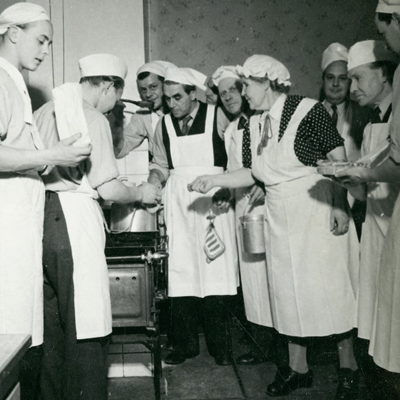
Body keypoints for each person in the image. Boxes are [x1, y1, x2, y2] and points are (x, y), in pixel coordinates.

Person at [189, 54, 360, 399]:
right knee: (287, 293)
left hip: (318, 209)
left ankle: (349, 368)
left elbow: (339, 160)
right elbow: (253, 172)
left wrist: (340, 205)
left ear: (267, 82)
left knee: (332, 291)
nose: (243, 92)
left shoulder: (308, 110)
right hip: (280, 216)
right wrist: (215, 179)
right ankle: (298, 369)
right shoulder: (254, 123)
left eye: (247, 85)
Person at [34, 53, 161, 400]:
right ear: (107, 86)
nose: (114, 106)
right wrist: (141, 193)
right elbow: (108, 188)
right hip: (72, 222)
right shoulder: (92, 118)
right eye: (116, 97)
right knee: (88, 326)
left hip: (40, 222)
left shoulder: (46, 110)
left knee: (52, 331)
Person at [0, 3, 91, 399]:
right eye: (40, 39)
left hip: (20, 221)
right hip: (7, 221)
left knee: (19, 331)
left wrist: (52, 154)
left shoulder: (15, 81)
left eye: (49, 42)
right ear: (13, 33)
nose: (45, 50)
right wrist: (53, 156)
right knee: (9, 333)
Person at [148, 67, 239, 366]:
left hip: (215, 200)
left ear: (193, 94)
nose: (171, 104)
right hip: (179, 203)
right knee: (181, 272)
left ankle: (221, 347)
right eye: (167, 98)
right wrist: (153, 182)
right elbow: (160, 163)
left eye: (177, 97)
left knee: (217, 273)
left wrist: (227, 185)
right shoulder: (163, 124)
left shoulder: (218, 116)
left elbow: (238, 156)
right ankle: (185, 345)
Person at [336, 0, 400, 383]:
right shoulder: (371, 119)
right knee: (379, 319)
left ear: (384, 74)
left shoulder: (395, 112)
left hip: (392, 219)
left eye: (359, 78)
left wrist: (359, 177)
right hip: (377, 225)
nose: (353, 88)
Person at [211, 65, 275, 366]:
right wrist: (224, 190)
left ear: (245, 90)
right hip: (243, 208)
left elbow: (270, 161)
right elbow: (233, 169)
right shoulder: (232, 129)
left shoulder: (266, 121)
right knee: (251, 279)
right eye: (222, 94)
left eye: (233, 91)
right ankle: (262, 343)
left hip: (268, 205)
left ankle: (283, 345)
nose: (228, 98)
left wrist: (263, 182)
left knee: (273, 275)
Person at [321, 42, 372, 240]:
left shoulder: (364, 114)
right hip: (320, 203)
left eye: (342, 78)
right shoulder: (308, 115)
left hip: (358, 205)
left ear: (350, 81)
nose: (335, 84)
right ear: (323, 80)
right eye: (330, 78)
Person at [111, 60, 176, 160]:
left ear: (166, 85)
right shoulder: (143, 115)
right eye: (143, 90)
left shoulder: (186, 108)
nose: (148, 94)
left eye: (153, 87)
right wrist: (117, 118)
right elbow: (119, 151)